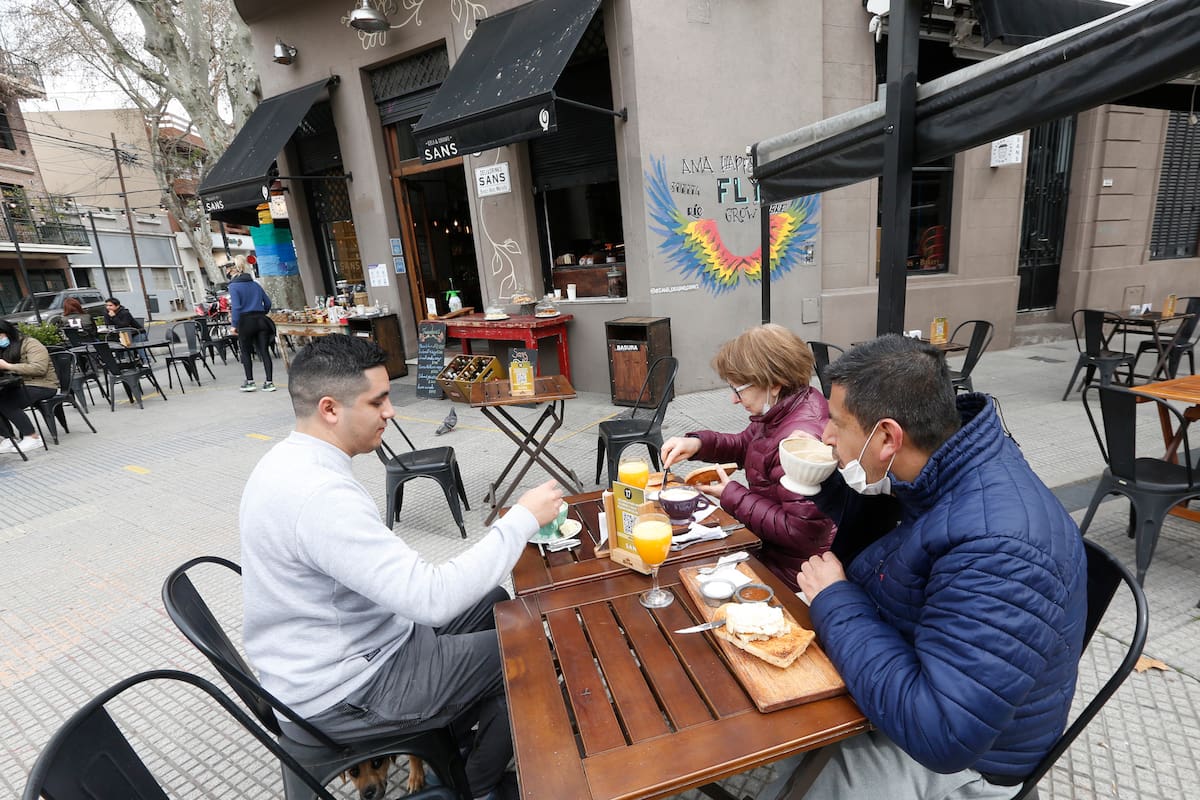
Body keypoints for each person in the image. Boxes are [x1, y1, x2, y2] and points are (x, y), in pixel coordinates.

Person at [239, 334, 563, 800]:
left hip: (346, 652)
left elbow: (399, 583)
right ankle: (476, 785)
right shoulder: (319, 496)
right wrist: (522, 519)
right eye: (378, 401)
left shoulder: (288, 461)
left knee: (495, 601)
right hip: (349, 689)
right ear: (330, 409)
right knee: (533, 649)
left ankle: (455, 741)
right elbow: (430, 599)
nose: (391, 411)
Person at [772, 334, 1087, 800]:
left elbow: (943, 731)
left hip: (970, 760)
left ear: (887, 437)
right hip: (915, 674)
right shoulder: (944, 463)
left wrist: (835, 600)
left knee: (787, 768)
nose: (826, 436)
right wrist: (825, 482)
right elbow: (908, 533)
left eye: (837, 423)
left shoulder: (1001, 551)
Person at [659, 324, 835, 590]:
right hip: (771, 550)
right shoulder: (786, 407)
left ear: (774, 384)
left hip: (793, 573)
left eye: (738, 389)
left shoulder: (800, 441)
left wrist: (732, 495)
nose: (733, 399)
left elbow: (801, 532)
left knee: (683, 577)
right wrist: (698, 444)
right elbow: (746, 444)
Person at [0, 320, 58, 455]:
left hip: (42, 384)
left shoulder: (30, 343)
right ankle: (9, 438)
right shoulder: (3, 349)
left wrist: (8, 366)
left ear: (8, 333)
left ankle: (32, 437)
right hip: (16, 385)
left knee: (7, 403)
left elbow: (39, 368)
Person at [226, 255, 276, 392]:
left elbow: (236, 307)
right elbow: (268, 303)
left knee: (246, 351)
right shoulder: (255, 284)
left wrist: (234, 325)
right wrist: (261, 313)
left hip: (245, 321)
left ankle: (250, 382)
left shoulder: (233, 286)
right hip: (261, 320)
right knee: (264, 351)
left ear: (233, 270)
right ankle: (269, 382)